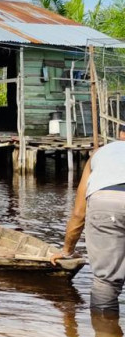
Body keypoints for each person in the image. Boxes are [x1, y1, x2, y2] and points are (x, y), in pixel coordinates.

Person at [51, 125, 125, 315]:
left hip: (106, 203)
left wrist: (67, 251)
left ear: (120, 135)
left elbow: (79, 214)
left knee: (106, 282)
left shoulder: (100, 153)